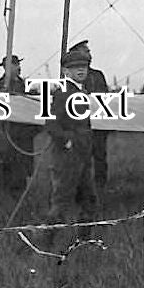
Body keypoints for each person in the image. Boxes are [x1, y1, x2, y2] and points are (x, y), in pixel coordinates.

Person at [43, 49, 100, 250]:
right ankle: (46, 245)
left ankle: (84, 243)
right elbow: (51, 125)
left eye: (83, 67)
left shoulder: (80, 92)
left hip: (83, 155)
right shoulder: (63, 94)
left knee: (89, 200)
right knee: (61, 202)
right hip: (67, 157)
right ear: (66, 71)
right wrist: (67, 141)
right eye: (75, 68)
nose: (81, 71)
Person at [0, 54, 32, 195]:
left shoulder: (26, 88)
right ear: (6, 68)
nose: (18, 68)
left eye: (18, 65)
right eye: (14, 65)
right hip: (2, 135)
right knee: (0, 170)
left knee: (20, 173)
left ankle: (17, 197)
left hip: (22, 136)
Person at [68, 40, 110, 188]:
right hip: (80, 125)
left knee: (99, 156)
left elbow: (106, 97)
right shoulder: (73, 76)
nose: (89, 54)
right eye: (86, 51)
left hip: (98, 124)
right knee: (81, 157)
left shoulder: (97, 75)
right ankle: (81, 187)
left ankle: (100, 185)